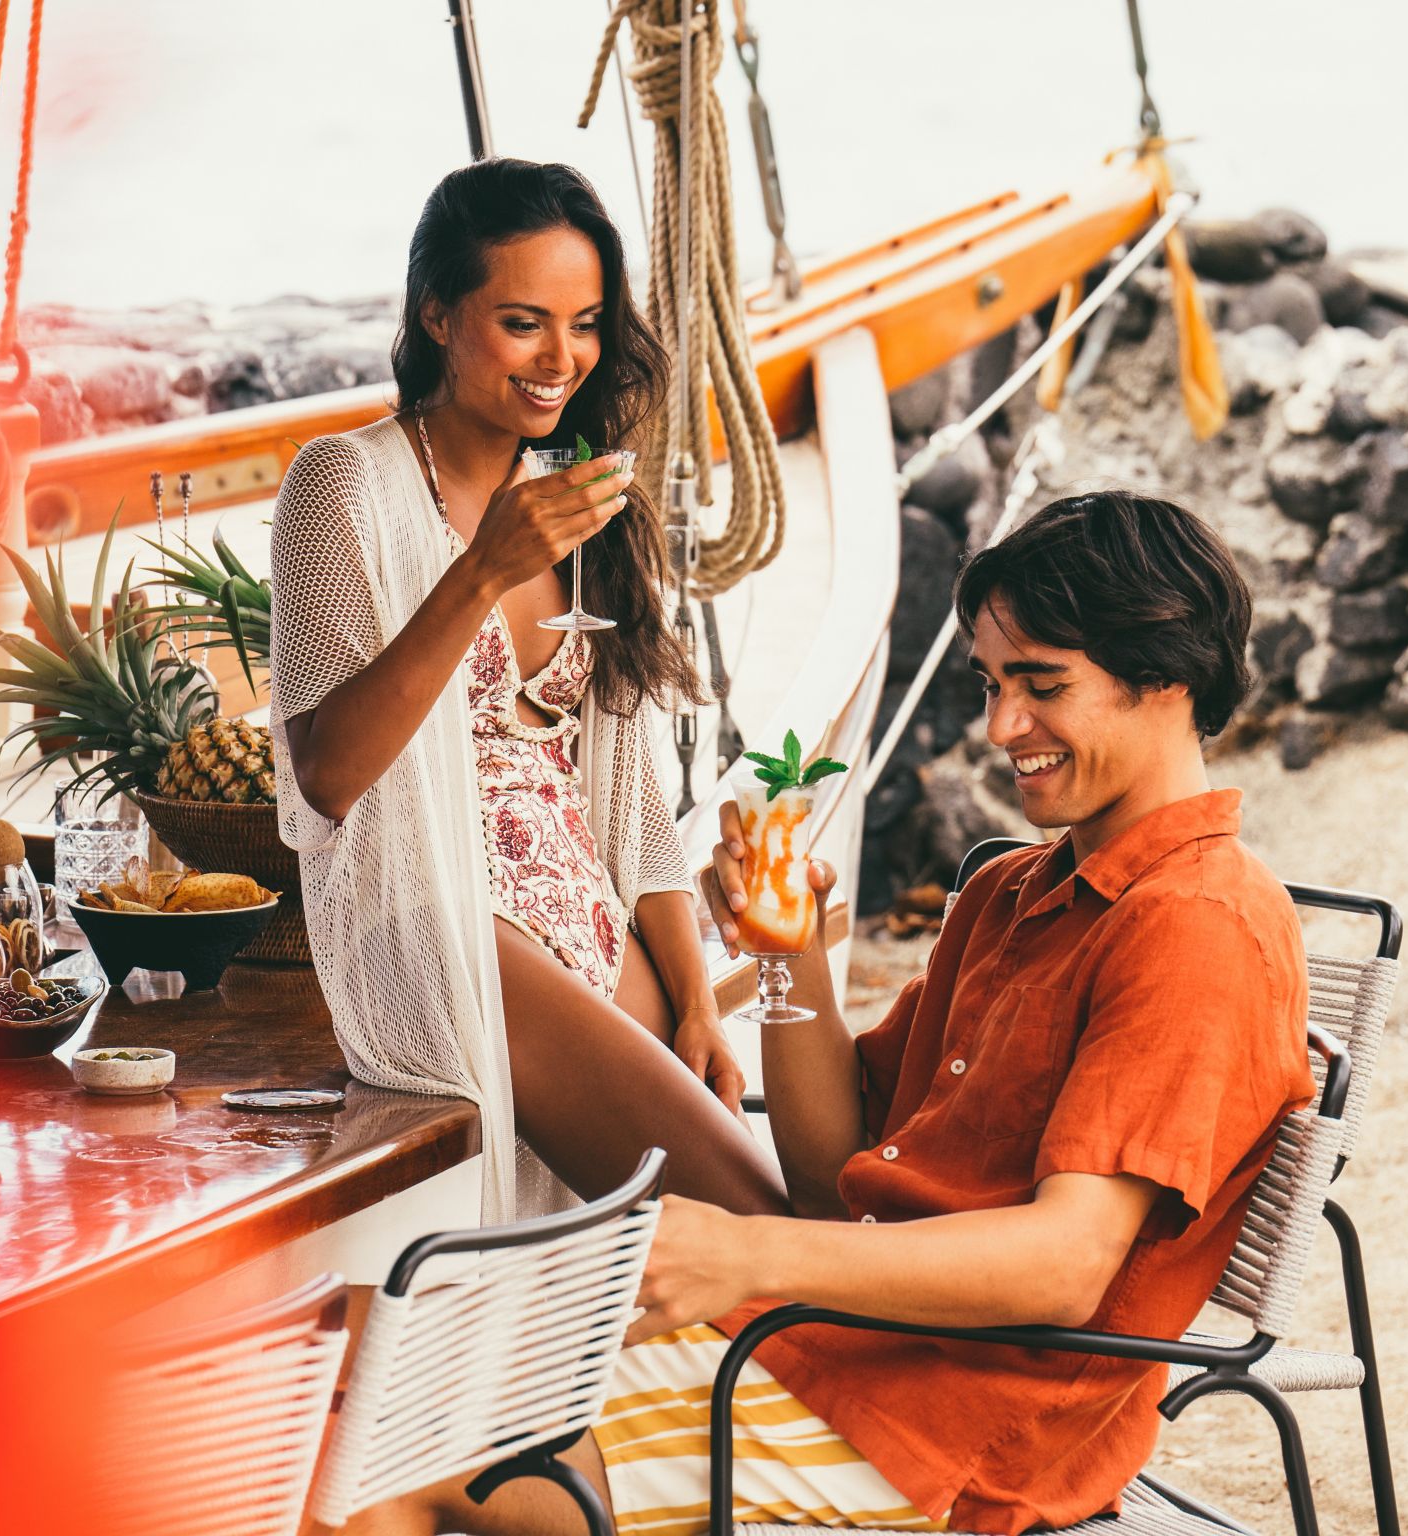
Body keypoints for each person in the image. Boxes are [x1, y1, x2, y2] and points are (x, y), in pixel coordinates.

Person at [337, 491, 1316, 1536]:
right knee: (344, 1342)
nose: (998, 729)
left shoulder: (1194, 927)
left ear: (1165, 676)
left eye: (1042, 686)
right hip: (828, 1342)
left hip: (932, 1440)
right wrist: (786, 957)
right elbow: (831, 1164)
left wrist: (746, 1256)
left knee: (376, 1452)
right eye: (990, 685)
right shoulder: (1014, 891)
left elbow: (1065, 1266)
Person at [269, 158, 787, 1220]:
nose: (562, 360)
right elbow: (323, 776)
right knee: (745, 1214)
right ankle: (941, 1369)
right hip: (430, 917)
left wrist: (694, 997)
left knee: (745, 1193)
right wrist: (480, 573)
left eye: (586, 323)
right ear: (437, 313)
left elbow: (628, 786)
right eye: (522, 322)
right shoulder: (343, 484)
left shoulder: (582, 486)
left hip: (587, 910)